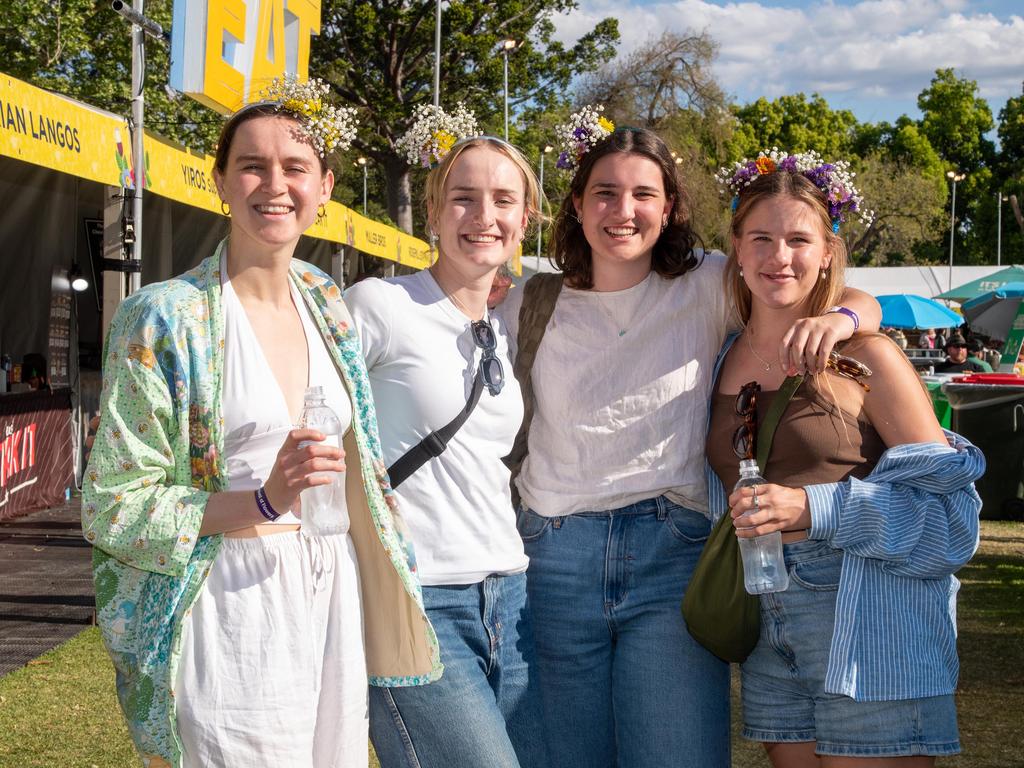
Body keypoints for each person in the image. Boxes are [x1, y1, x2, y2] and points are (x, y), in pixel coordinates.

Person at [498, 116, 882, 768]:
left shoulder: (705, 284)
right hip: (552, 560)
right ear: (577, 203)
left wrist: (843, 320)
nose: (625, 211)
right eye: (605, 193)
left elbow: (839, 292)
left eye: (644, 194)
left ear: (669, 206)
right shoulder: (527, 303)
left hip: (670, 556)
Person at [82, 82, 439, 768]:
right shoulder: (165, 317)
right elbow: (112, 505)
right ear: (219, 181)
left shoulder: (326, 300)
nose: (274, 184)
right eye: (252, 165)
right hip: (231, 599)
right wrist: (265, 498)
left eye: (295, 167)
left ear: (325, 187)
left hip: (330, 586)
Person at [708, 153, 984, 765]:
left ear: (828, 250)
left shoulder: (868, 356)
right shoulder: (721, 352)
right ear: (736, 247)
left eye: (799, 239)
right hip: (768, 627)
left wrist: (813, 506)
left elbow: (953, 523)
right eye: (762, 238)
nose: (780, 256)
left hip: (872, 625)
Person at [345, 125, 547, 768]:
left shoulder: (501, 326)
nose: (483, 217)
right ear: (432, 213)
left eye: (503, 201)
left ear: (526, 218)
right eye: (463, 198)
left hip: (510, 597)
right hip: (417, 597)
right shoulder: (380, 305)